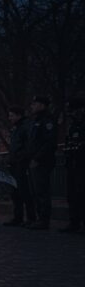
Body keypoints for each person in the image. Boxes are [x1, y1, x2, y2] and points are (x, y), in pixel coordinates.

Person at [26, 95, 58, 230]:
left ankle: (44, 220)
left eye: (35, 104)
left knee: (42, 191)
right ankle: (40, 218)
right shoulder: (37, 120)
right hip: (34, 160)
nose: (32, 106)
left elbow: (49, 143)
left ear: (42, 105)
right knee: (36, 191)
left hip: (42, 161)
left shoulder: (48, 120)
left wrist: (37, 158)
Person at [4, 106, 36, 226]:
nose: (9, 118)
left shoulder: (25, 128)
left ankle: (30, 218)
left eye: (11, 115)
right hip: (15, 163)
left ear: (19, 115)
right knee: (15, 192)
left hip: (22, 163)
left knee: (25, 191)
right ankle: (18, 217)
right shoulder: (16, 128)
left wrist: (20, 158)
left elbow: (27, 147)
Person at [61, 97, 85, 232]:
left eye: (73, 111)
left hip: (82, 164)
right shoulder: (73, 125)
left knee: (82, 194)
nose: (71, 114)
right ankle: (74, 222)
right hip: (72, 164)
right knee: (72, 194)